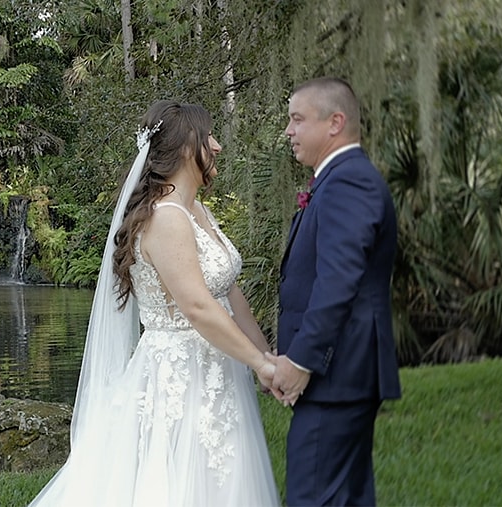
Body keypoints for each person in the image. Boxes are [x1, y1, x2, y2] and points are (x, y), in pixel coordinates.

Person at [29, 100, 280, 506]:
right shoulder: (165, 218)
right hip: (180, 375)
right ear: (185, 149)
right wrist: (259, 364)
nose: (216, 146)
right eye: (208, 137)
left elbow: (228, 292)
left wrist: (267, 355)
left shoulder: (195, 209)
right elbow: (197, 306)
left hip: (217, 368)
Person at [268, 77, 402, 506]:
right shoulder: (339, 180)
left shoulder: (347, 182)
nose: (289, 130)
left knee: (315, 498)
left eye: (297, 119)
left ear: (335, 123)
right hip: (344, 375)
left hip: (337, 373)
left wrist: (302, 360)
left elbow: (338, 281)